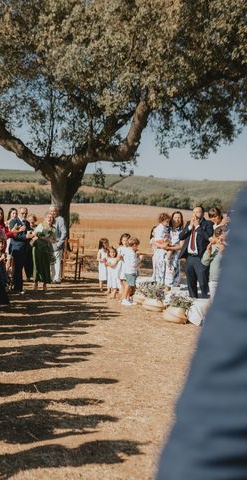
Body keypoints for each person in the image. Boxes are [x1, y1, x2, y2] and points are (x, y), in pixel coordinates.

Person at [157, 189, 246, 479]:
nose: (201, 218)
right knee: (194, 288)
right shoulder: (192, 230)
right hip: (195, 259)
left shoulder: (215, 232)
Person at [179, 205, 214, 298]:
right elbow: (181, 236)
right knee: (191, 282)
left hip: (200, 257)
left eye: (197, 212)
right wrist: (190, 226)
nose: (195, 214)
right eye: (194, 212)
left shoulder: (208, 224)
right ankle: (193, 302)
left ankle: (205, 302)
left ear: (203, 214)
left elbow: (208, 237)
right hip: (189, 257)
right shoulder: (188, 223)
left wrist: (197, 226)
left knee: (203, 283)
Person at [8, 206, 35, 294]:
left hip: (25, 248)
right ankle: (17, 288)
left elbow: (29, 233)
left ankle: (18, 287)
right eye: (22, 213)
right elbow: (14, 235)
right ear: (19, 213)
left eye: (26, 213)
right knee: (18, 269)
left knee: (21, 268)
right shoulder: (13, 221)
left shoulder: (27, 222)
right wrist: (25, 237)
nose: (24, 215)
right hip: (17, 248)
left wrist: (32, 234)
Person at [31, 210, 55, 291]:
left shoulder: (53, 228)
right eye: (48, 217)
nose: (50, 219)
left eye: (51, 217)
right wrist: (44, 237)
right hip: (37, 248)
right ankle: (35, 284)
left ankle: (45, 284)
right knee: (37, 266)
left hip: (47, 249)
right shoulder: (41, 225)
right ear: (45, 218)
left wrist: (48, 239)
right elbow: (34, 235)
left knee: (45, 266)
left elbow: (54, 240)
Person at [165, 211, 184, 289]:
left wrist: (170, 247)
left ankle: (172, 291)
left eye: (179, 217)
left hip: (175, 256)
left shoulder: (182, 231)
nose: (177, 219)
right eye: (175, 217)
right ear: (172, 219)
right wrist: (171, 246)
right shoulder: (166, 229)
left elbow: (181, 246)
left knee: (173, 272)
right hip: (165, 254)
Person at [120, 237, 141, 306]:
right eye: (137, 245)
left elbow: (122, 257)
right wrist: (139, 260)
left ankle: (128, 299)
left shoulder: (126, 250)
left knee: (128, 285)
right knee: (128, 286)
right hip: (131, 271)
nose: (137, 247)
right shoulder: (132, 253)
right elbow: (133, 263)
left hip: (127, 270)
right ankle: (124, 299)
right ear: (134, 245)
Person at [152, 213, 172, 286]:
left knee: (163, 268)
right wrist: (165, 241)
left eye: (168, 221)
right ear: (162, 221)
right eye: (167, 221)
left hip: (163, 248)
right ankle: (159, 284)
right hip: (160, 249)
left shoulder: (164, 228)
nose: (168, 223)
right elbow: (158, 240)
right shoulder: (159, 228)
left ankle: (161, 284)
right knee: (160, 268)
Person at [50, 205, 67, 283]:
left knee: (57, 261)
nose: (53, 212)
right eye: (51, 211)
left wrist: (59, 243)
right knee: (51, 261)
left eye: (54, 211)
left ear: (57, 211)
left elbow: (64, 232)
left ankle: (57, 278)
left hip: (57, 243)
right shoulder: (49, 219)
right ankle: (51, 277)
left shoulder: (60, 219)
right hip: (49, 243)